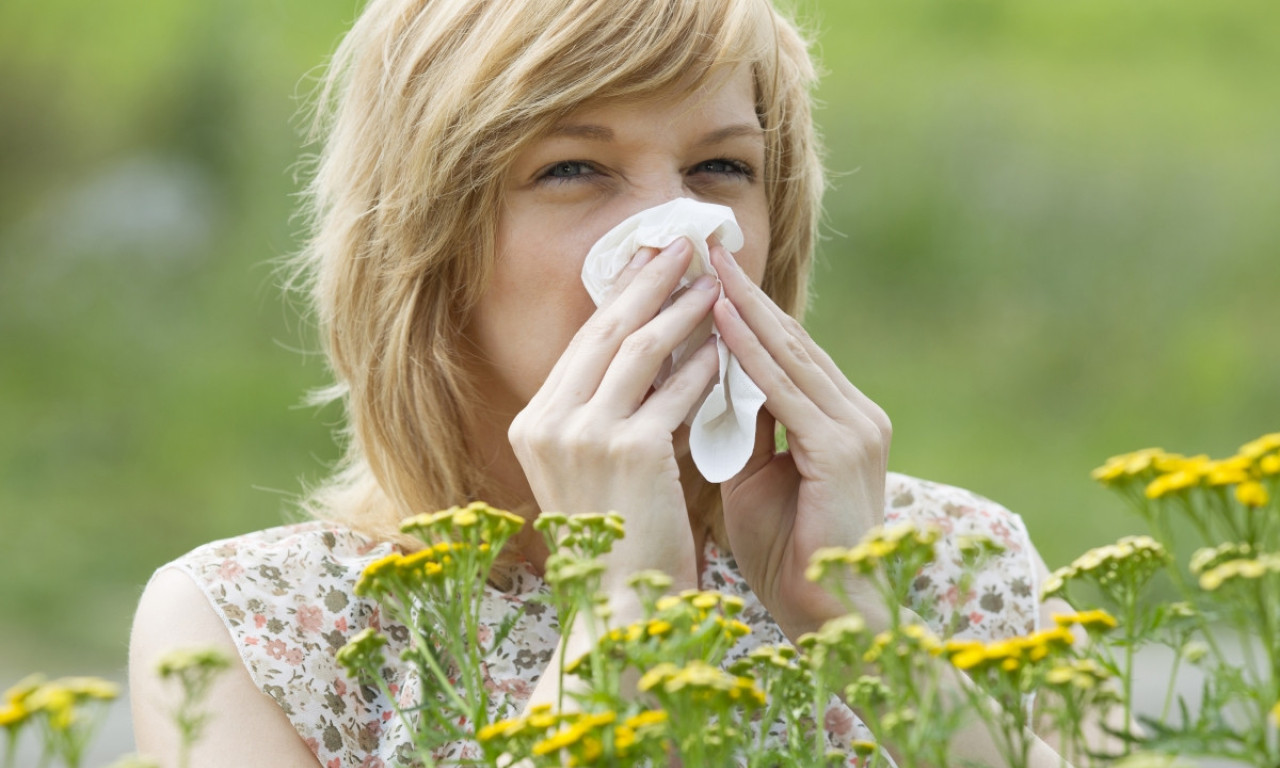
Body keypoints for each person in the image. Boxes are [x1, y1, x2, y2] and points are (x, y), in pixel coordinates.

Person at [129, 0, 1081, 765]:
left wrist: (860, 623)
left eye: (720, 167)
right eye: (574, 167)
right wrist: (622, 619)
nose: (681, 231)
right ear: (426, 243)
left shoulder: (959, 566)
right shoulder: (259, 630)